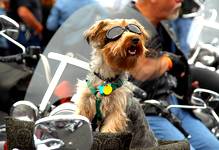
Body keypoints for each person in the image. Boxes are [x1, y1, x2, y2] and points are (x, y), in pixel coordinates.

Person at [109, 0, 219, 150]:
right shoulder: (124, 26)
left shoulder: (162, 24)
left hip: (172, 103)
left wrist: (184, 82)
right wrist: (168, 62)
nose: (181, 1)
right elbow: (140, 71)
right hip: (143, 110)